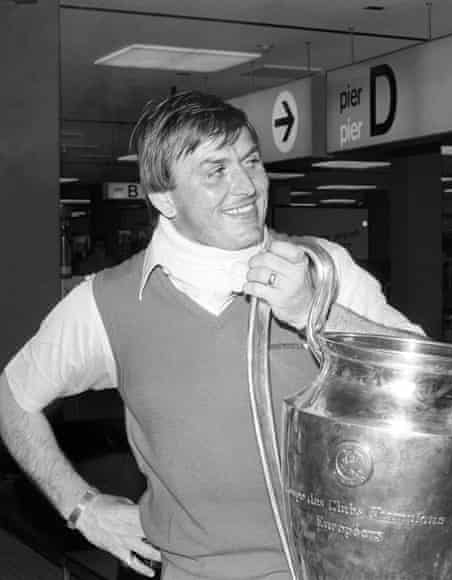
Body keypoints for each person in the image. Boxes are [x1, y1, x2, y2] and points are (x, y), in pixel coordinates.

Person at [0, 91, 422, 580]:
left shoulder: (322, 268)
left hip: (347, 565)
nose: (246, 186)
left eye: (251, 162)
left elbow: (430, 385)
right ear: (163, 197)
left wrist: (315, 312)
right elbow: (13, 399)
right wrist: (82, 508)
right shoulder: (107, 301)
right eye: (215, 170)